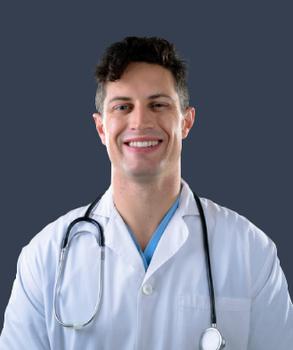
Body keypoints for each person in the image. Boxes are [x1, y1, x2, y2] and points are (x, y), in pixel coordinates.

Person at [0, 36, 292, 350]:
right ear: (101, 128)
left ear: (186, 122)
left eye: (158, 104)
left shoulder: (251, 252)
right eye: (123, 106)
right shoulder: (44, 257)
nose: (140, 121)